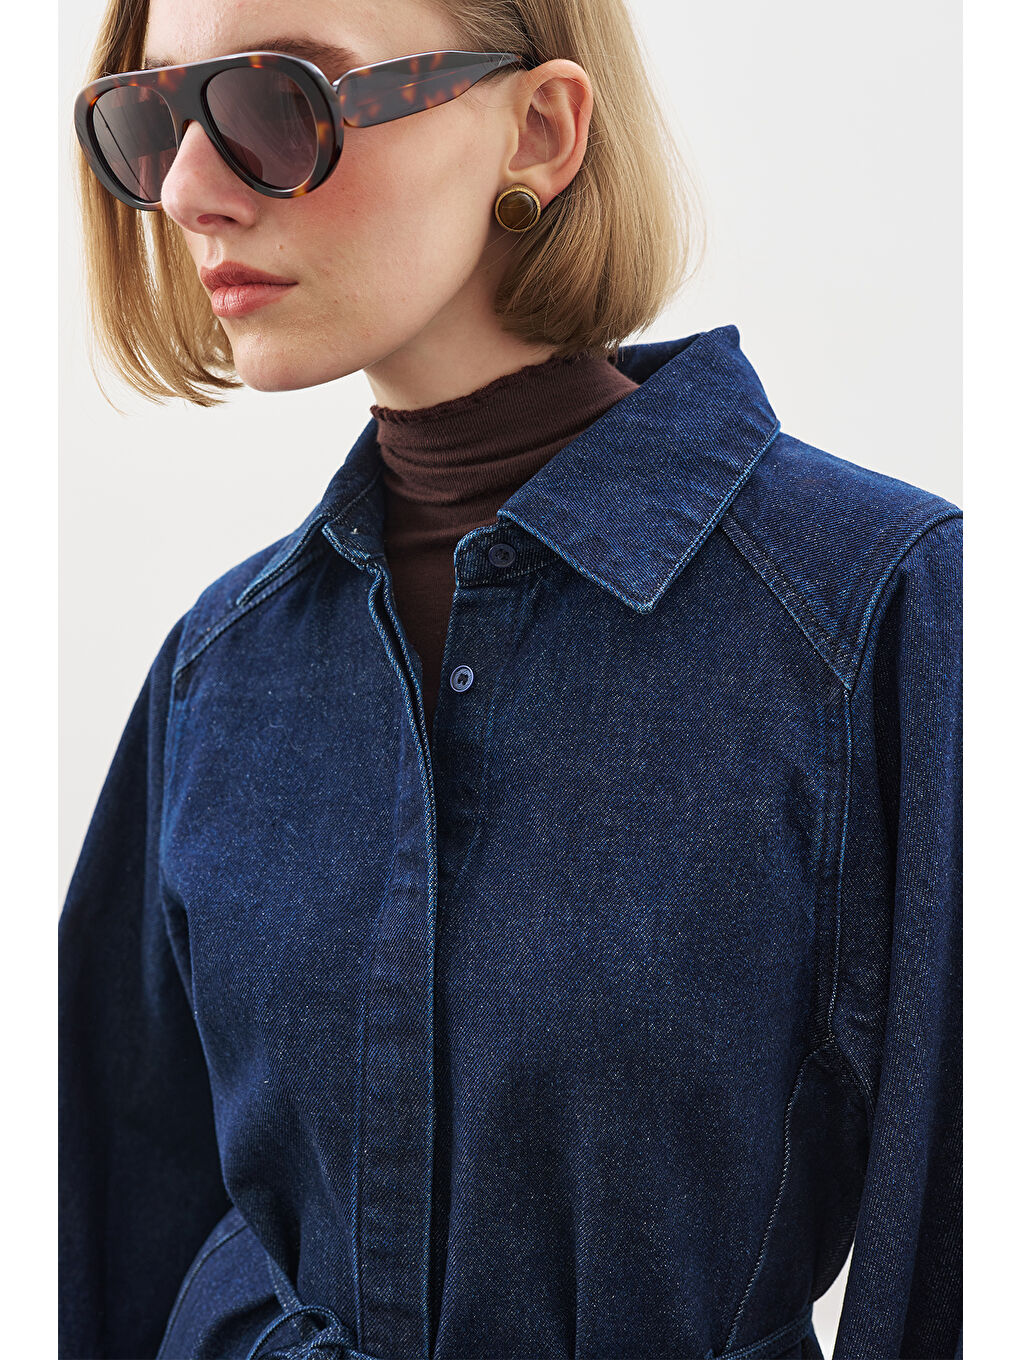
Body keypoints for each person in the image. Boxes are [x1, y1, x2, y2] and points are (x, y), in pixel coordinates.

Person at [59, 1, 963, 1358]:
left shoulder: (879, 608)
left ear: (537, 129)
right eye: (150, 119)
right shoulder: (218, 671)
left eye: (275, 102)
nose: (188, 192)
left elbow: (959, 1257)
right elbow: (106, 1243)